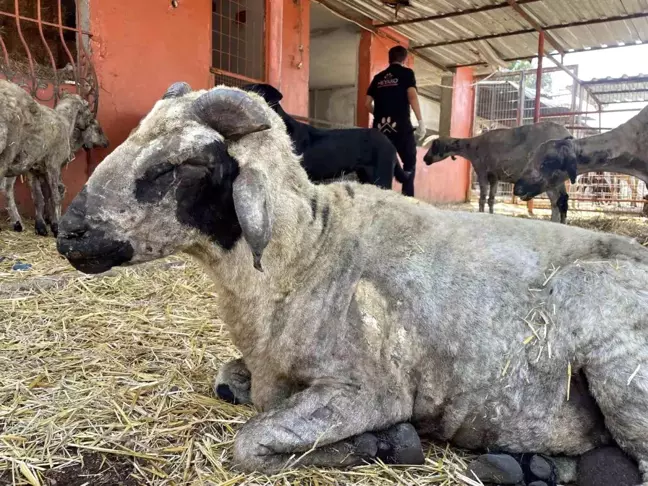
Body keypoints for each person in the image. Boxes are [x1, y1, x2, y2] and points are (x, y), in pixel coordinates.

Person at [366, 45, 425, 197]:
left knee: (381, 163)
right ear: (404, 59)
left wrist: (379, 114)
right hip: (401, 128)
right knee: (409, 163)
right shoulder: (406, 73)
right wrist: (420, 121)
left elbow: (366, 104)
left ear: (389, 58)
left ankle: (380, 199)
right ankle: (407, 201)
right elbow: (412, 96)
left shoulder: (378, 78)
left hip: (380, 130)